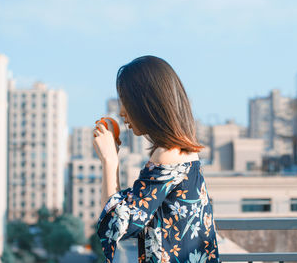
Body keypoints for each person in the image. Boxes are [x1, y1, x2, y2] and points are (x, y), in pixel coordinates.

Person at [93, 56, 220, 263]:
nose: (121, 112)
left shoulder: (169, 154)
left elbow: (118, 226)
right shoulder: (181, 151)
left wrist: (109, 160)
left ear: (145, 102)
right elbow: (135, 203)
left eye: (125, 101)